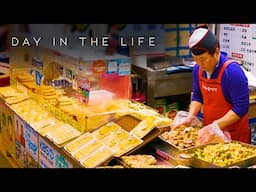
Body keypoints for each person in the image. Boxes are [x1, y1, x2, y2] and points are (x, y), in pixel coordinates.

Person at [174, 25, 250, 144]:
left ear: (216, 52)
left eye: (203, 59)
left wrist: (215, 126)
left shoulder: (232, 72)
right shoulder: (197, 69)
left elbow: (241, 108)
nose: (200, 64)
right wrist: (190, 116)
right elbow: (197, 97)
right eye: (196, 59)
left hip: (234, 136)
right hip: (210, 134)